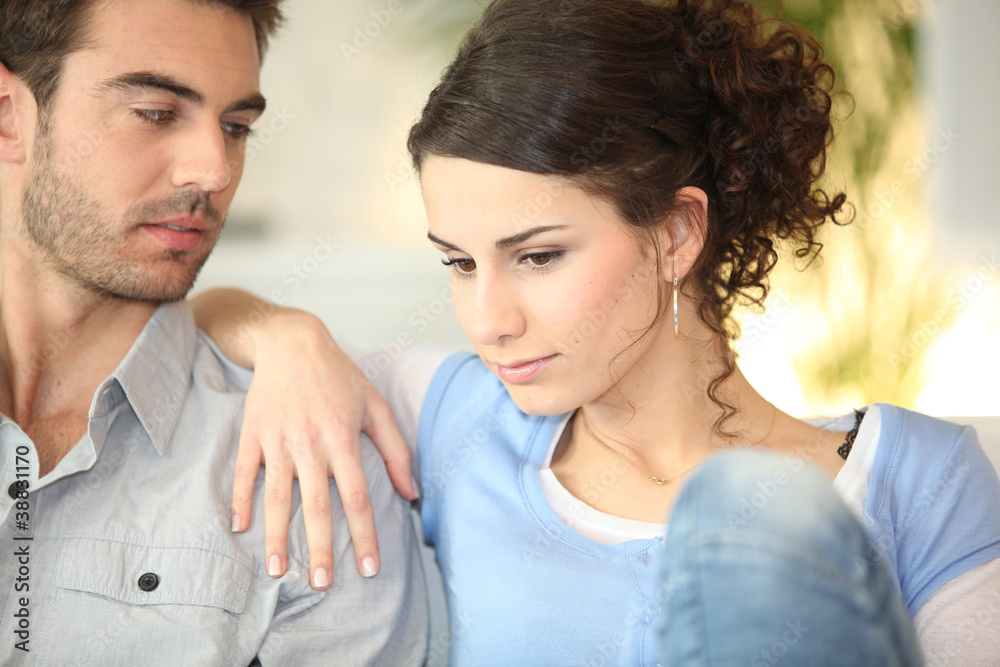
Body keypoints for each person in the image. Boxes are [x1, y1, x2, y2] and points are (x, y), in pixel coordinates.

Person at [196, 0, 1000, 664]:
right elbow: (200, 314)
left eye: (538, 256)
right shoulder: (459, 425)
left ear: (678, 234)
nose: (488, 321)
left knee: (750, 513)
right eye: (460, 263)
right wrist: (291, 337)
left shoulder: (919, 478)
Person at [0, 0, 426, 664]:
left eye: (235, 125)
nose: (215, 170)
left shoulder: (309, 465)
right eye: (158, 113)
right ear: (8, 116)